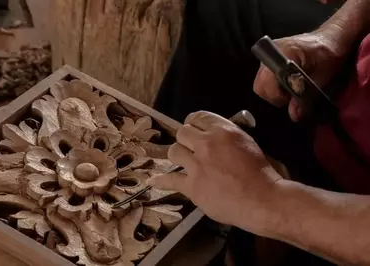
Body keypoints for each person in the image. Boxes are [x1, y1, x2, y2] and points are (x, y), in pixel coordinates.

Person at [150, 0, 370, 265]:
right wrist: (333, 36)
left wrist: (266, 200)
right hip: (352, 98)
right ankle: (177, 199)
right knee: (220, 12)